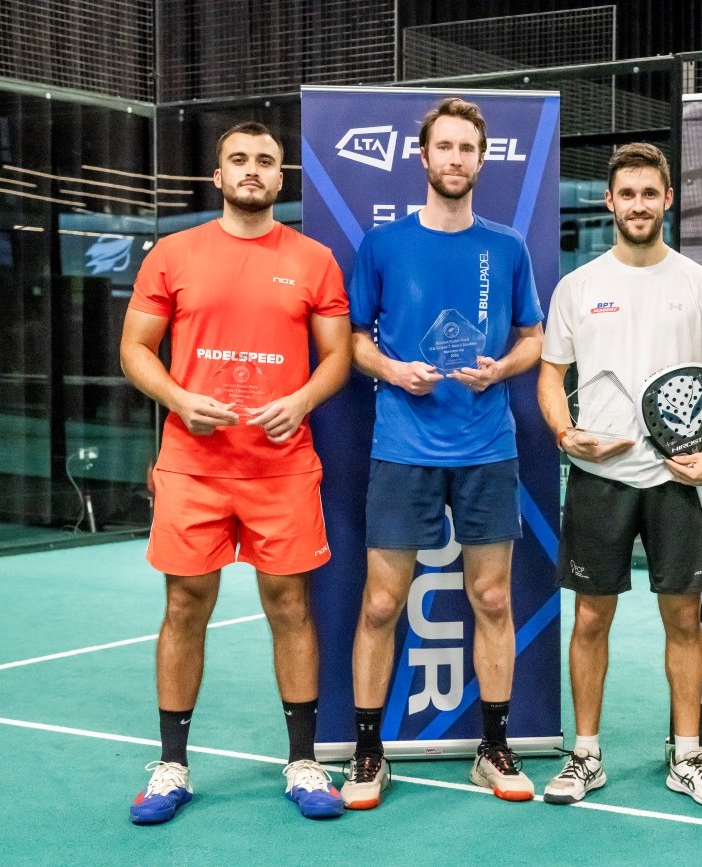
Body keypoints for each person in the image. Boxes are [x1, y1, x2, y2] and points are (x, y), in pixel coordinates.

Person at [120, 121, 353, 824]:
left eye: (266, 162)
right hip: (193, 466)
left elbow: (338, 356)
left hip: (281, 468)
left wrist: (304, 397)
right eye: (239, 160)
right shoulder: (173, 253)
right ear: (218, 176)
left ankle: (304, 760)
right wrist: (178, 397)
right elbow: (135, 348)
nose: (253, 170)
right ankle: (171, 765)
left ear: (281, 180)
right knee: (184, 607)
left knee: (289, 607)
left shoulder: (313, 260)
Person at [341, 97, 545, 809]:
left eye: (468, 149)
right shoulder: (383, 246)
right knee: (379, 602)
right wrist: (394, 371)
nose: (456, 159)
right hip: (402, 446)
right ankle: (368, 753)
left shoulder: (508, 248)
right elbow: (355, 339)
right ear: (422, 158)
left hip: (487, 447)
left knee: (491, 596)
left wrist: (502, 370)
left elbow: (534, 338)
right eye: (445, 147)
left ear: (482, 161)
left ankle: (493, 747)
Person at [538, 143, 702, 808]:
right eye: (626, 193)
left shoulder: (700, 285)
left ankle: (688, 755)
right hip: (599, 479)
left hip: (679, 481)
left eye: (649, 193)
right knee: (591, 616)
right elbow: (551, 377)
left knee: (684, 618)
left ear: (668, 198)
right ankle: (586, 754)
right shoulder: (579, 286)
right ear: (609, 200)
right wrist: (567, 435)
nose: (637, 204)